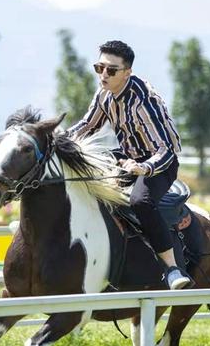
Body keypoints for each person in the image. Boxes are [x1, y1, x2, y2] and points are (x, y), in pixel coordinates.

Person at [68, 40, 191, 290]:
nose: (103, 74)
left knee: (140, 201)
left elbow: (169, 149)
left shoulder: (144, 100)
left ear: (127, 73)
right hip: (127, 159)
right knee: (82, 179)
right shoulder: (104, 94)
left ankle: (172, 268)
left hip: (159, 165)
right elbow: (87, 126)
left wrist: (143, 168)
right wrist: (54, 139)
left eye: (111, 70)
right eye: (99, 67)